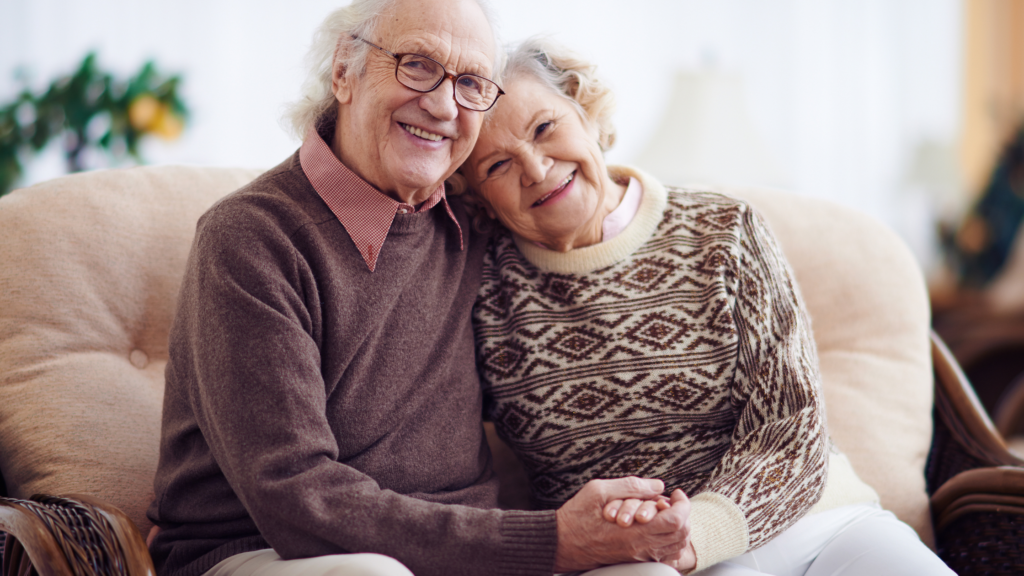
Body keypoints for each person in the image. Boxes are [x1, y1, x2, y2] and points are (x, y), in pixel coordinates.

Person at [146, 2, 695, 576]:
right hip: (272, 552)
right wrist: (550, 540)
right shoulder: (251, 239)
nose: (442, 105)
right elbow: (296, 498)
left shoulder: (472, 220)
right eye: (416, 65)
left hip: (466, 557)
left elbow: (577, 217)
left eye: (472, 83)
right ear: (343, 72)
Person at [458, 37, 956, 576]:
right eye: (497, 166)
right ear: (475, 196)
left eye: (544, 128)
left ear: (584, 110)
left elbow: (792, 424)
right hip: (635, 556)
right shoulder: (482, 289)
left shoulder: (724, 230)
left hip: (814, 520)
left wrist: (698, 535)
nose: (534, 168)